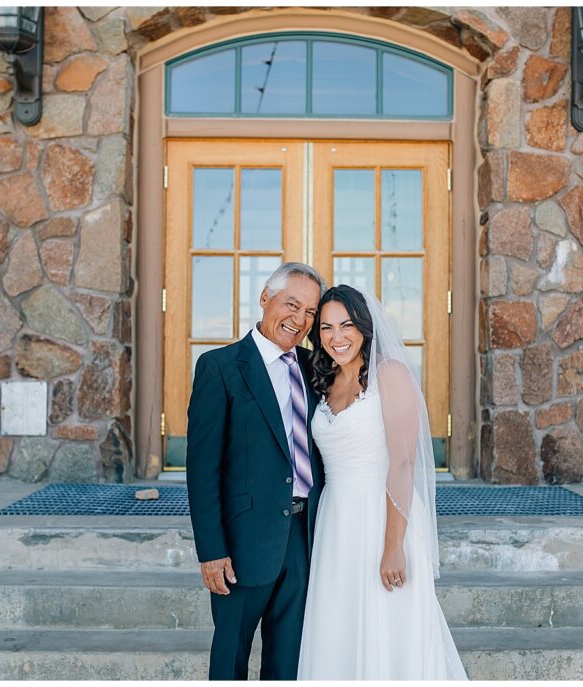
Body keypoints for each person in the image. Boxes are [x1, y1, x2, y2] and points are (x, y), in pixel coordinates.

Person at [297, 284, 467, 680]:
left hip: (383, 517)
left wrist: (393, 547)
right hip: (335, 523)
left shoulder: (390, 375)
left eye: (346, 325)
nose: (337, 337)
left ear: (365, 326)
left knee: (389, 625)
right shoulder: (323, 382)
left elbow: (404, 462)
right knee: (337, 627)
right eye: (326, 328)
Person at [187, 262, 326, 680]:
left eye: (310, 312)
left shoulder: (314, 368)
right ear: (265, 298)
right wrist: (211, 551)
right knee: (230, 657)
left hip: (304, 539)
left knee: (289, 662)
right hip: (243, 542)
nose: (299, 320)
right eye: (291, 305)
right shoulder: (220, 367)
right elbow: (202, 468)